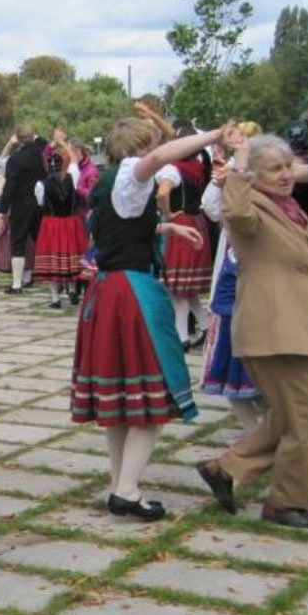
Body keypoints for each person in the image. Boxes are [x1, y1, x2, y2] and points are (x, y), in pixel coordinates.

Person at [195, 134, 308, 528]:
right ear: (253, 175)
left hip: (293, 325)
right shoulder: (249, 206)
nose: (287, 174)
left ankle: (224, 468)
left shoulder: (289, 209)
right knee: (307, 422)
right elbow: (233, 213)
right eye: (275, 168)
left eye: (288, 166)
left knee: (291, 417)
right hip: (271, 327)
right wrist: (237, 162)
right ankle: (285, 503)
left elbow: (305, 256)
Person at [72, 118, 224, 521]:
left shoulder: (112, 184)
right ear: (141, 149)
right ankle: (126, 489)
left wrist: (168, 227)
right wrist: (214, 136)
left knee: (122, 400)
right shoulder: (131, 174)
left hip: (107, 292)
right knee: (151, 396)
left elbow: (124, 225)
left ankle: (120, 484)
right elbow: (155, 158)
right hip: (131, 294)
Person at [199, 140, 263, 430]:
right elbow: (212, 207)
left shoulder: (264, 193)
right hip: (234, 269)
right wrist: (219, 180)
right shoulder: (230, 187)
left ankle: (266, 429)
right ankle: (257, 431)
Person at [155, 129, 214, 348]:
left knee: (176, 287)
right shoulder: (198, 165)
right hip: (197, 221)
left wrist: (167, 213)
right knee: (186, 288)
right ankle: (207, 326)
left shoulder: (173, 169)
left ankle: (182, 338)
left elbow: (162, 193)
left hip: (181, 225)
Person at [33, 143, 89, 308]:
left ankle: (55, 298)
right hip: (71, 222)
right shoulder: (73, 176)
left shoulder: (41, 184)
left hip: (52, 223)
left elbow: (40, 203)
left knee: (53, 258)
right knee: (70, 255)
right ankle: (72, 290)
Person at [0, 125, 48, 293]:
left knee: (18, 242)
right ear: (33, 137)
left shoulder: (15, 159)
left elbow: (10, 186)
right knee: (42, 240)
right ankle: (55, 279)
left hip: (21, 205)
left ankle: (17, 284)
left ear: (17, 139)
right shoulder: (45, 154)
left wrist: (2, 209)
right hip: (41, 204)